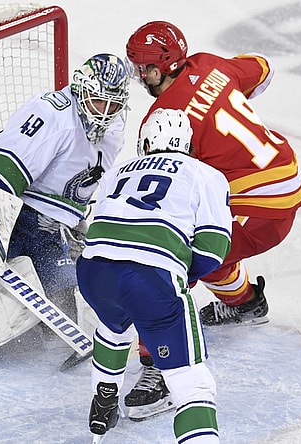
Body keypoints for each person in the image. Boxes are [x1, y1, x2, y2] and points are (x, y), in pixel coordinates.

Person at [122, 21, 301, 419]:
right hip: (285, 180)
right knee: (214, 254)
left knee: (170, 262)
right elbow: (263, 68)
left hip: (256, 201)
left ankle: (158, 366)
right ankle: (245, 304)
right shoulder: (210, 63)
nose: (141, 77)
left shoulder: (164, 117)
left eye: (146, 69)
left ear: (167, 65)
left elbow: (168, 192)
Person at [77, 108, 232, 443]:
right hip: (150, 276)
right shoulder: (205, 173)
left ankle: (104, 398)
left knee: (114, 321)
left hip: (93, 270)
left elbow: (99, 228)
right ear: (187, 145)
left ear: (146, 141)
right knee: (193, 383)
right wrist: (178, 275)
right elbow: (213, 249)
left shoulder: (119, 170)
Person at [0, 53, 132, 323]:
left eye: (113, 105)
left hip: (48, 229)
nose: (104, 112)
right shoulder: (52, 114)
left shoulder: (114, 128)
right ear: (81, 87)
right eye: (98, 100)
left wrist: (74, 219)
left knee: (61, 313)